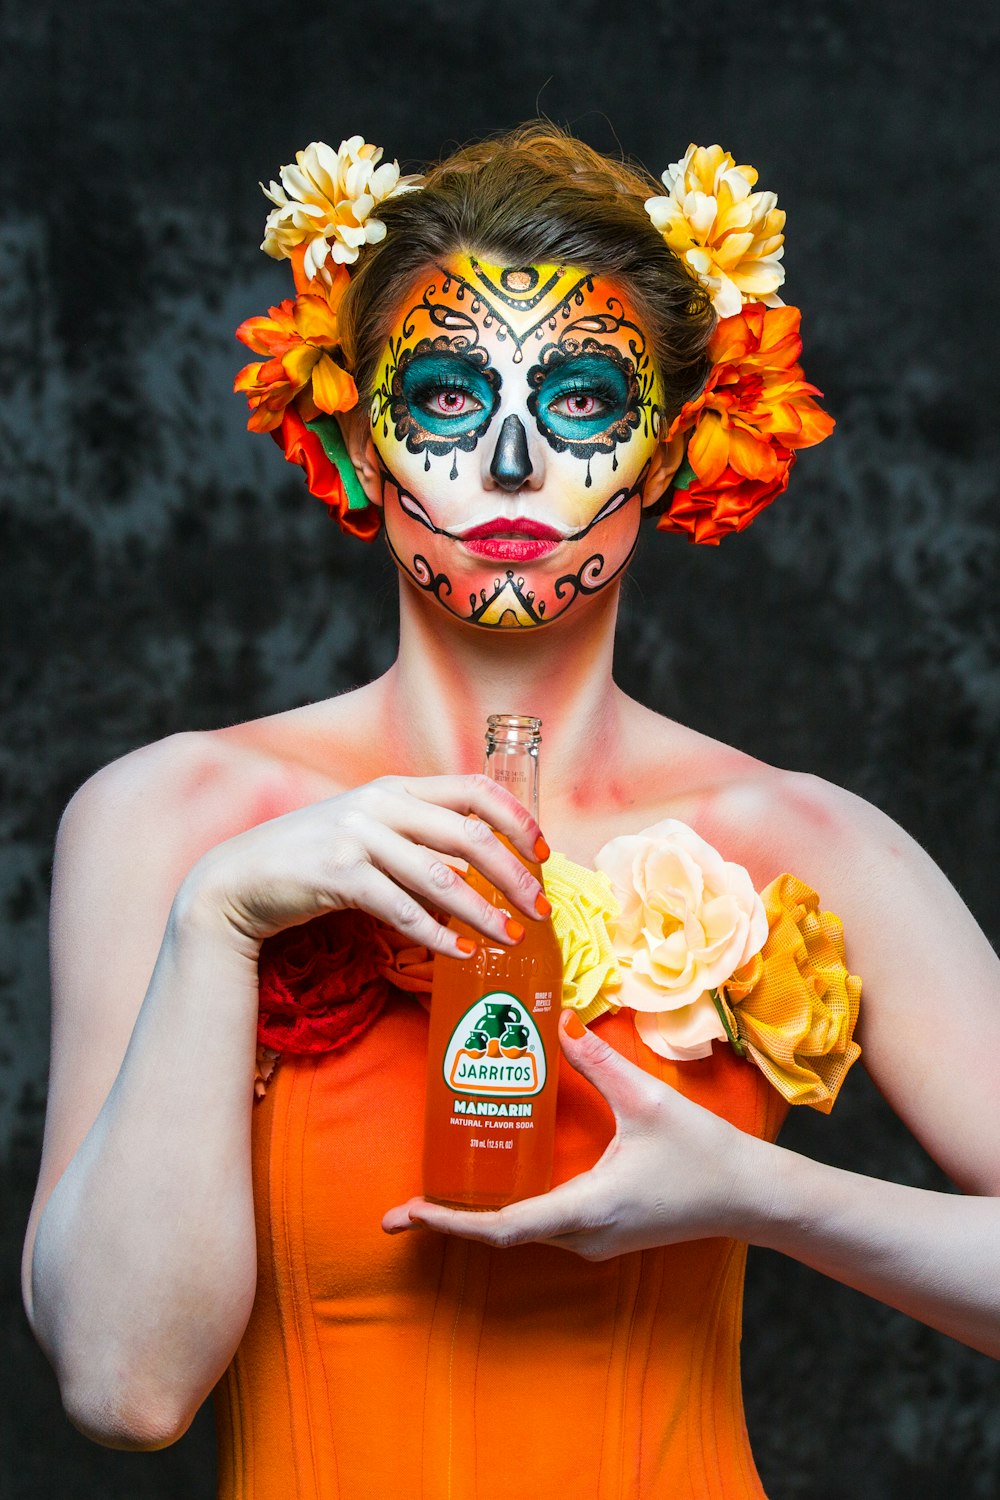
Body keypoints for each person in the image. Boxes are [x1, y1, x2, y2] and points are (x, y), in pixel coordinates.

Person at [21, 124, 1000, 1499]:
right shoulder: (172, 821)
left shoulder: (805, 842)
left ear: (672, 449)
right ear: (356, 438)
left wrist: (762, 1197)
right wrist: (219, 919)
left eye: (587, 399)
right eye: (444, 394)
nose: (516, 458)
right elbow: (126, 1388)